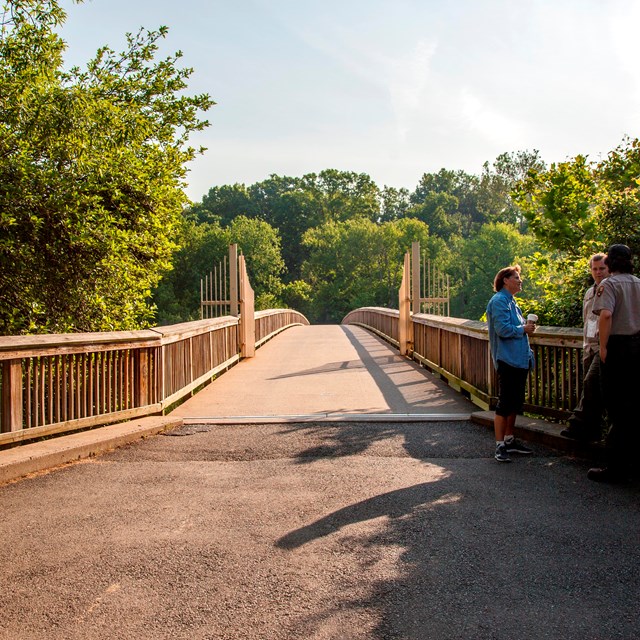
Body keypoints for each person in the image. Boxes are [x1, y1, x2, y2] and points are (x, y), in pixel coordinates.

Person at [587, 244, 640, 483]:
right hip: (637, 346)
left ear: (610, 262)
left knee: (616, 407)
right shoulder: (638, 283)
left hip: (618, 348)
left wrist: (605, 346)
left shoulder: (609, 285)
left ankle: (615, 467)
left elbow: (606, 315)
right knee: (634, 405)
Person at [486, 265, 536, 462]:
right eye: (516, 277)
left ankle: (509, 439)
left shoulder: (512, 302)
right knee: (505, 402)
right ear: (505, 280)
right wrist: (523, 328)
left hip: (519, 358)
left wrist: (525, 328)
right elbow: (503, 329)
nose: (520, 280)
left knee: (515, 401)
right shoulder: (499, 301)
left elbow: (514, 328)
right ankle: (499, 445)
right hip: (507, 358)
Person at [561, 253, 609, 441]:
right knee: (591, 388)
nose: (598, 272)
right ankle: (592, 431)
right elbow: (586, 319)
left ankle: (577, 424)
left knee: (591, 384)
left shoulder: (612, 288)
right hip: (588, 345)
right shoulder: (590, 292)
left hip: (603, 345)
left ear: (609, 269)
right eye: (595, 269)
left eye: (602, 269)